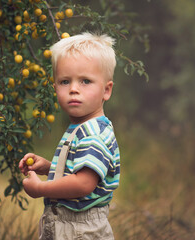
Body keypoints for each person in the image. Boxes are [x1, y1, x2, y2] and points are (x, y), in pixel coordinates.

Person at [19, 32, 120, 240]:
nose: (74, 89)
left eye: (85, 81)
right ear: (55, 87)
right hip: (69, 225)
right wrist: (50, 168)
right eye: (65, 82)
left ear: (106, 90)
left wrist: (41, 188)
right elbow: (78, 170)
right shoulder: (82, 127)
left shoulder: (94, 133)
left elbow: (83, 184)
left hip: (80, 228)